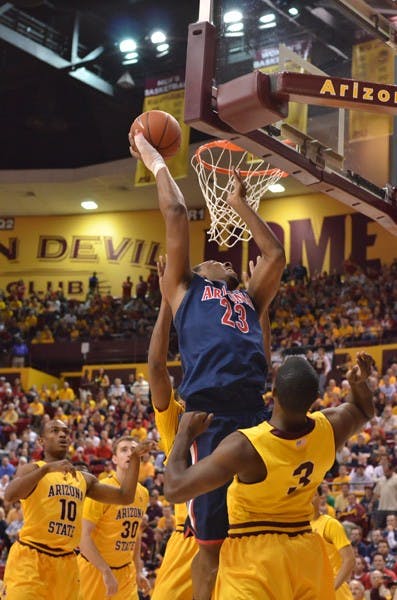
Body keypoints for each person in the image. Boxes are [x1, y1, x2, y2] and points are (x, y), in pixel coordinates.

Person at [130, 130, 286, 600]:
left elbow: (275, 255)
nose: (211, 260)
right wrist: (153, 156)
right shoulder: (184, 291)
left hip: (257, 416)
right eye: (202, 262)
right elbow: (176, 212)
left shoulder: (248, 297)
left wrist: (240, 203)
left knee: (267, 523)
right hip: (211, 419)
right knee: (212, 543)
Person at [165, 352, 375, 599]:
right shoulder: (330, 427)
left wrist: (183, 437)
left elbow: (174, 489)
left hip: (255, 556)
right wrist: (358, 384)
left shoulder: (246, 446)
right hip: (305, 553)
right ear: (315, 399)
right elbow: (363, 410)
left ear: (272, 391)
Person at [3, 419, 152, 599]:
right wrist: (47, 469)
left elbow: (125, 496)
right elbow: (10, 495)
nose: (62, 434)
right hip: (31, 558)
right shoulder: (33, 469)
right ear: (41, 441)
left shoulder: (83, 479)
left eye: (65, 431)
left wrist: (135, 458)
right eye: (55, 431)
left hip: (66, 564)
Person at [147, 267, 198, 600]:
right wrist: (167, 301)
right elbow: (156, 368)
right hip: (189, 538)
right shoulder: (175, 420)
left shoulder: (235, 411)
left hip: (236, 537)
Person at [78, 436, 150, 600]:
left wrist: (138, 571)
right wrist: (105, 570)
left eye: (133, 449)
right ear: (115, 459)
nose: (130, 453)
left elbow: (136, 534)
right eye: (124, 450)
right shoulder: (102, 489)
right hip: (95, 570)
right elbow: (83, 537)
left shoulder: (143, 493)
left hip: (126, 572)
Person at [311, 488, 355, 599]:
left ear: (321, 498)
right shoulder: (297, 527)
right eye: (305, 495)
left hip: (335, 591)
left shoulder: (330, 524)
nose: (308, 499)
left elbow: (349, 560)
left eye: (313, 495)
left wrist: (330, 589)